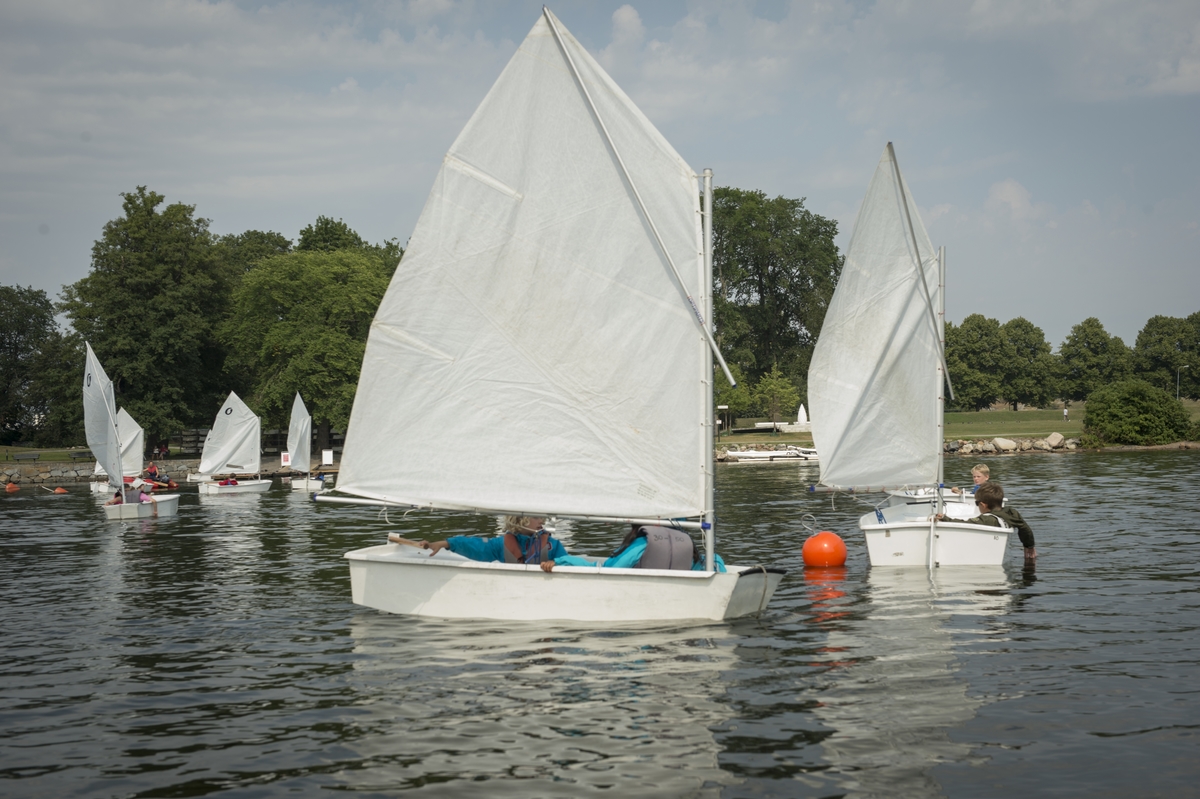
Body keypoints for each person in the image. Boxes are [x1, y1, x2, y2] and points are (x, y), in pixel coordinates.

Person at [540, 524, 727, 573]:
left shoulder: (642, 543)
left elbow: (609, 571)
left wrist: (562, 561)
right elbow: (712, 561)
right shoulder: (685, 543)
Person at [388, 515, 569, 565]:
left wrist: (554, 563)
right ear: (519, 519)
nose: (542, 521)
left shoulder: (553, 545)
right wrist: (444, 544)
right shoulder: (500, 544)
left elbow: (567, 563)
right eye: (537, 517)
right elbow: (472, 545)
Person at [937, 482, 1036, 561]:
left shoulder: (987, 519)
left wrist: (945, 518)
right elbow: (1024, 528)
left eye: (977, 503)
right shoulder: (1011, 512)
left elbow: (965, 523)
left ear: (983, 505)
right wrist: (1029, 546)